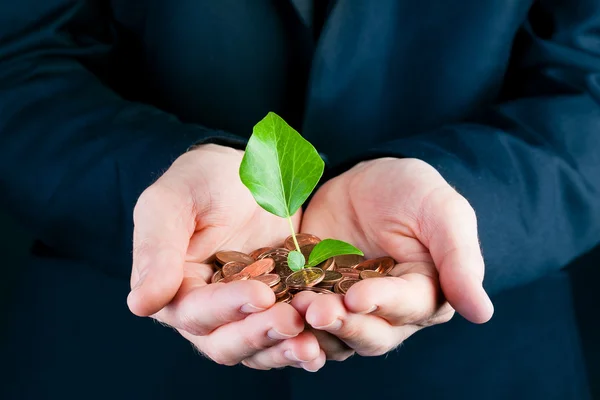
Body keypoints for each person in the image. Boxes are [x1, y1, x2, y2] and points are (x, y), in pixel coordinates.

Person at [0, 1, 598, 399]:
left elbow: (588, 85)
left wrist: (457, 204)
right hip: (113, 356)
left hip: (479, 368)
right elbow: (18, 58)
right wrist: (158, 187)